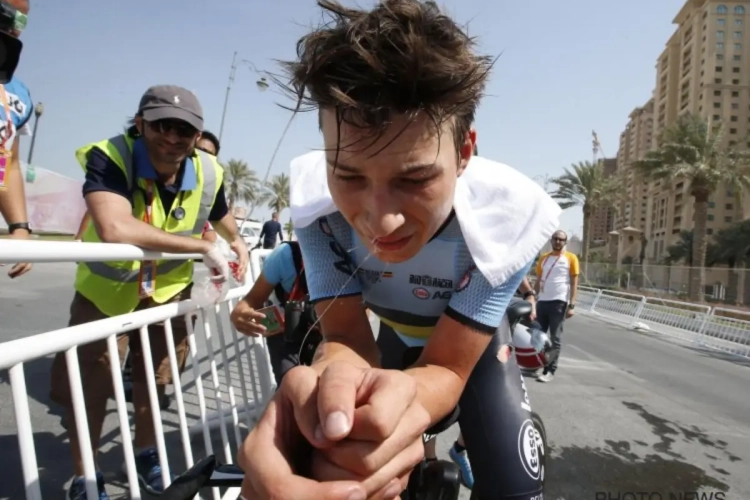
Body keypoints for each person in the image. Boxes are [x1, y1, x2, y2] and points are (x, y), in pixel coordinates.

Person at [236, 2, 561, 500]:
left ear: (465, 153)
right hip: (393, 331)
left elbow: (449, 367)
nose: (380, 222)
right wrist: (330, 392)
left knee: (513, 487)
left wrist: (408, 408)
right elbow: (345, 337)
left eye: (414, 179)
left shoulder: (508, 220)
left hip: (469, 349)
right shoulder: (318, 212)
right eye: (348, 177)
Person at [49, 85, 248, 500]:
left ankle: (144, 454)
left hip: (169, 294)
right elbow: (114, 227)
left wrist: (238, 240)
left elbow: (219, 213)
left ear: (197, 136)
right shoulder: (111, 155)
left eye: (183, 129)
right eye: (161, 125)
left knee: (156, 382)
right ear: (140, 124)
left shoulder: (209, 170)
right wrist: (201, 247)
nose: (172, 137)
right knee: (91, 388)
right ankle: (86, 477)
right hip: (105, 294)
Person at [231, 241, 317, 385]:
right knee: (290, 385)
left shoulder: (352, 256)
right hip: (286, 328)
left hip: (334, 332)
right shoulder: (286, 255)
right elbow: (252, 300)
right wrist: (240, 313)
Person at [0, 0, 33, 279]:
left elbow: (8, 162)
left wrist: (20, 228)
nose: (12, 22)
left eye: (20, 18)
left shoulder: (17, 94)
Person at [533, 230, 579, 383]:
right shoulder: (544, 258)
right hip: (542, 301)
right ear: (551, 240)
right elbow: (539, 280)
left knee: (555, 338)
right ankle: (537, 364)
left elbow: (574, 283)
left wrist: (572, 305)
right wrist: (532, 297)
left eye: (561, 239)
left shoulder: (571, 258)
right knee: (538, 337)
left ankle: (550, 370)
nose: (558, 241)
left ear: (565, 242)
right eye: (556, 239)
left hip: (559, 302)